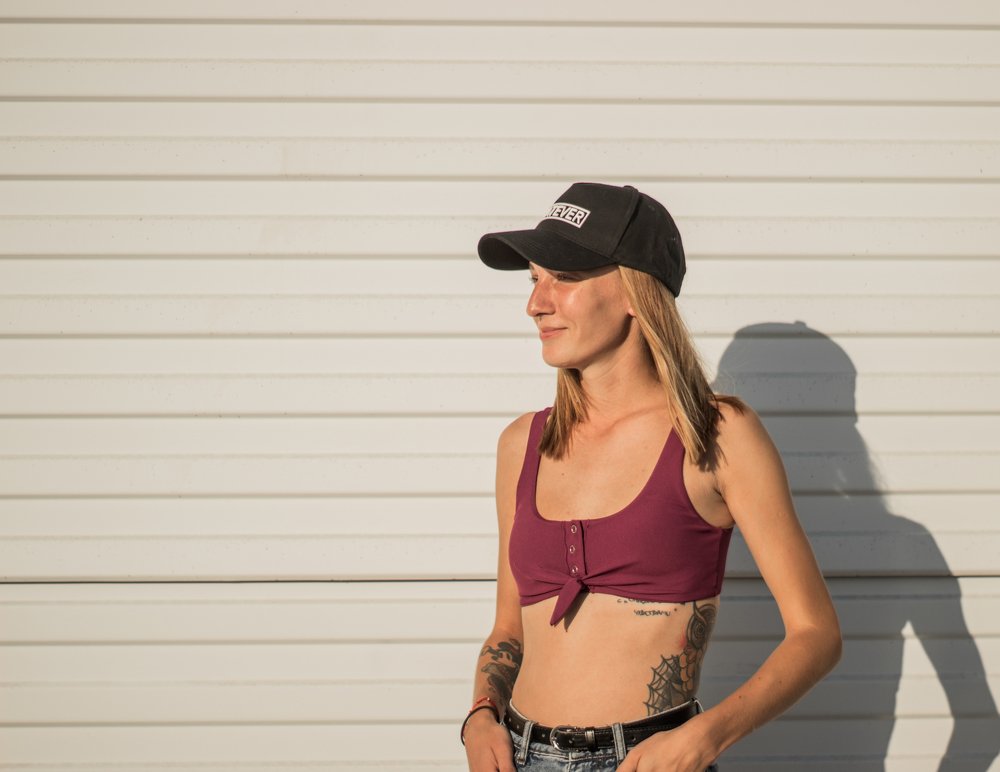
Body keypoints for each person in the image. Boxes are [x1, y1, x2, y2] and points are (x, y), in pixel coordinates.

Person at [460, 182, 842, 771]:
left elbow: (816, 633)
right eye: (533, 279)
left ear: (636, 291)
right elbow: (509, 627)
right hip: (519, 755)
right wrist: (481, 715)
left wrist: (705, 736)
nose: (536, 303)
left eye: (564, 277)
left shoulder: (716, 436)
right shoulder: (522, 444)